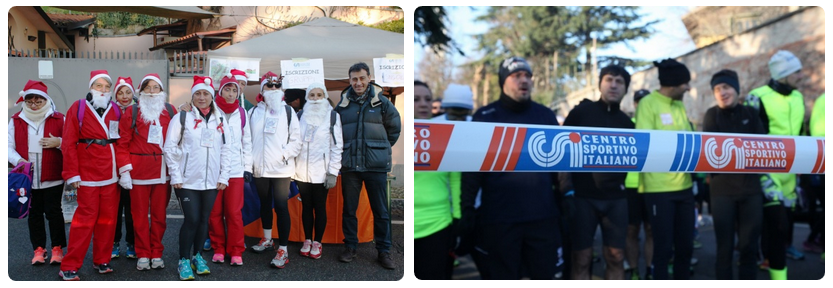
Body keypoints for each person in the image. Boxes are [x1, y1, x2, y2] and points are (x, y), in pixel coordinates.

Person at [460, 56, 563, 279]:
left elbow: (560, 166)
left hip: (542, 218)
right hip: (499, 219)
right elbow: (471, 169)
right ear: (503, 81)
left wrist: (567, 198)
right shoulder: (485, 117)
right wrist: (466, 207)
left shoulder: (545, 115)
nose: (523, 80)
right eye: (516, 76)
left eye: (527, 75)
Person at [560, 65, 633, 280]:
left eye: (619, 82)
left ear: (625, 88)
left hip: (616, 199)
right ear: (600, 84)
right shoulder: (581, 113)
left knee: (616, 257)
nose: (613, 85)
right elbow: (562, 152)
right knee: (581, 258)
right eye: (609, 79)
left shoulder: (628, 124)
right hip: (583, 199)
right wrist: (566, 190)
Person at [746, 50, 807, 278]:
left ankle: (770, 261)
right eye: (797, 72)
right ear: (784, 73)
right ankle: (778, 277)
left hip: (792, 173)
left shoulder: (798, 97)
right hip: (767, 172)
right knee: (777, 225)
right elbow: (749, 138)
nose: (801, 76)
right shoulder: (757, 96)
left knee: (785, 227)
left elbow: (801, 132)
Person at [334, 62, 401, 269]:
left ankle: (384, 251)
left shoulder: (382, 103)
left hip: (375, 166)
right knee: (349, 209)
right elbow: (334, 134)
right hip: (351, 166)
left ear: (369, 78)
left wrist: (378, 149)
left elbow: (394, 128)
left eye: (362, 78)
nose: (358, 82)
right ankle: (351, 246)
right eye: (354, 79)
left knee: (380, 210)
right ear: (350, 80)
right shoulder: (342, 106)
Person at [164, 75, 231, 280]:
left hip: (211, 180)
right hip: (187, 180)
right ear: (192, 97)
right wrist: (176, 174)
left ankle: (198, 256)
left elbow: (227, 149)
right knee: (191, 219)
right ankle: (183, 259)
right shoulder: (182, 117)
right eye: (198, 94)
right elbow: (169, 147)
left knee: (204, 220)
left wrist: (224, 175)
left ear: (212, 97)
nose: (202, 97)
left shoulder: (220, 119)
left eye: (205, 94)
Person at [701, 69, 765, 280]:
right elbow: (712, 154)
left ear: (736, 89)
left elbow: (762, 150)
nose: (722, 92)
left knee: (749, 248)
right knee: (724, 249)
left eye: (726, 87)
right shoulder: (711, 114)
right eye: (717, 89)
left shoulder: (751, 113)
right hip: (722, 192)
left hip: (751, 191)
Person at [59, 70, 122, 280]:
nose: (103, 90)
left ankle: (102, 259)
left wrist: (123, 170)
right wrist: (72, 174)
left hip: (111, 173)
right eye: (99, 86)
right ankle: (69, 265)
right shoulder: (77, 108)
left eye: (106, 87)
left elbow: (120, 141)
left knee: (108, 220)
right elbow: (68, 143)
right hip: (86, 174)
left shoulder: (115, 109)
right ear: (91, 87)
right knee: (84, 221)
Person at [635, 59, 695, 280]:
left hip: (685, 188)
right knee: (663, 249)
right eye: (685, 84)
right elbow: (645, 146)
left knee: (686, 248)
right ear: (673, 84)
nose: (688, 88)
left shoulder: (679, 104)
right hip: (658, 190)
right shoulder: (648, 104)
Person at [115, 73, 176, 271]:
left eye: (155, 88)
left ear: (161, 91)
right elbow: (122, 144)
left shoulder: (170, 111)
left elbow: (179, 139)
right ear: (140, 92)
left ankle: (157, 251)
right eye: (147, 88)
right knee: (139, 216)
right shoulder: (132, 112)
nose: (151, 92)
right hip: (138, 173)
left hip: (162, 173)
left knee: (159, 216)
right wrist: (125, 170)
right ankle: (142, 252)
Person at [245, 71, 301, 269]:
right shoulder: (253, 112)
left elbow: (296, 140)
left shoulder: (288, 112)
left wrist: (283, 155)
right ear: (262, 89)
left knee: (281, 207)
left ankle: (283, 249)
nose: (274, 89)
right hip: (260, 169)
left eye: (277, 86)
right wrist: (249, 165)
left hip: (281, 170)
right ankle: (267, 239)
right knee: (264, 204)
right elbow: (247, 141)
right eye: (269, 86)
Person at [9, 80, 67, 266]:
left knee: (54, 213)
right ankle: (39, 249)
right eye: (30, 101)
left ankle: (57, 249)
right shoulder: (16, 119)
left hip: (53, 176)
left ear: (46, 100)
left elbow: (71, 142)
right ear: (25, 101)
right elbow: (7, 146)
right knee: (34, 214)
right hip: (28, 178)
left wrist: (58, 142)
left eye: (38, 101)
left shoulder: (59, 118)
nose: (34, 104)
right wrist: (19, 161)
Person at [414, 80, 460, 279]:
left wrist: (459, 218)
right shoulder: (398, 133)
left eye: (427, 99)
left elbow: (456, 179)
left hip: (439, 224)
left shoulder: (445, 135)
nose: (423, 104)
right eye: (416, 99)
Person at [293, 82, 343, 259]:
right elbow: (295, 143)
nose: (315, 99)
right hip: (302, 172)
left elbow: (337, 146)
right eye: (312, 95)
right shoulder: (300, 116)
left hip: (322, 172)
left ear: (324, 96)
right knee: (306, 207)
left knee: (319, 207)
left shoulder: (332, 117)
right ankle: (307, 239)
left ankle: (318, 242)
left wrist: (333, 172)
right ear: (307, 98)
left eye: (319, 95)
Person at [207, 75, 252, 266]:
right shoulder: (210, 111)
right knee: (215, 212)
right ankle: (218, 247)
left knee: (234, 213)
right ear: (220, 91)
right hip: (214, 170)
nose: (231, 94)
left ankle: (235, 250)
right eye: (228, 89)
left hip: (235, 171)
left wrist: (247, 167)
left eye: (235, 90)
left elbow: (247, 141)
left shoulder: (241, 113)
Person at [624, 88, 653, 280]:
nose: (642, 104)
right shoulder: (628, 126)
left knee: (651, 229)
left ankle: (650, 270)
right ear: (635, 104)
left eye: (646, 101)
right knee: (631, 230)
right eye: (638, 101)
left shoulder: (655, 126)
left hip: (653, 186)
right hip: (631, 186)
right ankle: (634, 271)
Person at [111, 77, 137, 260]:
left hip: (132, 166)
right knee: (113, 209)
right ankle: (113, 243)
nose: (124, 96)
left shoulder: (139, 111)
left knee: (132, 209)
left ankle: (131, 242)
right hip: (111, 166)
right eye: (120, 92)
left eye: (128, 92)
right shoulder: (109, 111)